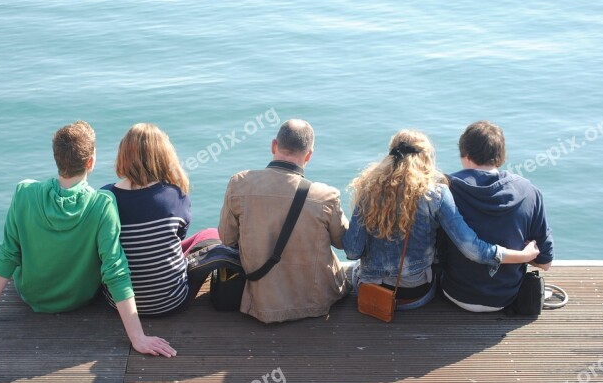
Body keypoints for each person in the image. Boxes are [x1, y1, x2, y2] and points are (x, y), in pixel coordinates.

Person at [0, 121, 176, 357]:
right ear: (90, 162)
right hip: (78, 299)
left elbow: (8, 254)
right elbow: (115, 270)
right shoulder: (102, 204)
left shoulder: (24, 193)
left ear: (56, 158)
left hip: (30, 294)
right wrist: (138, 337)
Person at [344, 129, 540, 310]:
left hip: (370, 293)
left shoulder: (369, 190)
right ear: (426, 158)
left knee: (356, 269)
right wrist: (523, 256)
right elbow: (472, 249)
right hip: (415, 295)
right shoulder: (435, 193)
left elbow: (352, 251)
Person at [218, 119, 349, 323]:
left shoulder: (240, 184)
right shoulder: (326, 196)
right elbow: (343, 242)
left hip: (260, 303)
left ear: (273, 146)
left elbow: (226, 238)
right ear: (309, 155)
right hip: (316, 303)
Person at [101, 123, 220, 316]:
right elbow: (178, 237)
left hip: (118, 302)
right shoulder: (175, 195)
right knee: (211, 234)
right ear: (164, 155)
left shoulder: (105, 196)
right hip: (171, 302)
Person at [441, 121, 554, 312]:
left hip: (454, 292)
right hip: (505, 296)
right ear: (500, 156)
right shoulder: (529, 191)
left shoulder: (445, 189)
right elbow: (545, 262)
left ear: (465, 153)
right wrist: (524, 254)